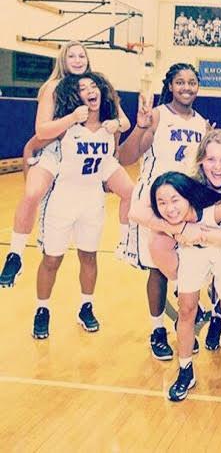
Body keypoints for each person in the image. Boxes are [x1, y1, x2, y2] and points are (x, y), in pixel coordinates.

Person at [0, 41, 131, 288]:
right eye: (72, 55)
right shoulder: (53, 87)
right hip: (56, 149)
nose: (78, 59)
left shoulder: (98, 84)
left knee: (128, 191)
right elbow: (41, 130)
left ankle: (125, 243)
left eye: (82, 55)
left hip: (91, 153)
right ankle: (15, 254)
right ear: (63, 60)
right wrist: (71, 119)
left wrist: (117, 124)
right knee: (32, 192)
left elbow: (123, 121)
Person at [119, 63, 209, 360]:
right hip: (156, 202)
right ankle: (157, 329)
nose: (186, 87)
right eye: (180, 82)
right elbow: (127, 156)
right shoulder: (157, 115)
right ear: (170, 86)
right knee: (158, 268)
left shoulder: (202, 123)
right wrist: (142, 126)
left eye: (192, 82)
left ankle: (184, 328)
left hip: (186, 202)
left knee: (187, 264)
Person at [33, 72, 126, 339]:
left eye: (93, 85)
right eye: (82, 88)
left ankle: (86, 306)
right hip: (62, 200)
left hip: (92, 201)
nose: (90, 90)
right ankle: (42, 310)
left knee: (89, 256)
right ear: (76, 96)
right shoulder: (66, 127)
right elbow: (36, 140)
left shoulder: (110, 128)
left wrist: (118, 124)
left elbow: (121, 137)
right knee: (52, 259)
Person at [145, 172, 221, 400]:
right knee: (186, 310)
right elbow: (140, 212)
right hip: (191, 256)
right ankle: (185, 370)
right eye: (162, 203)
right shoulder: (166, 222)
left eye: (174, 200)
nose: (169, 208)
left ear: (187, 196)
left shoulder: (213, 212)